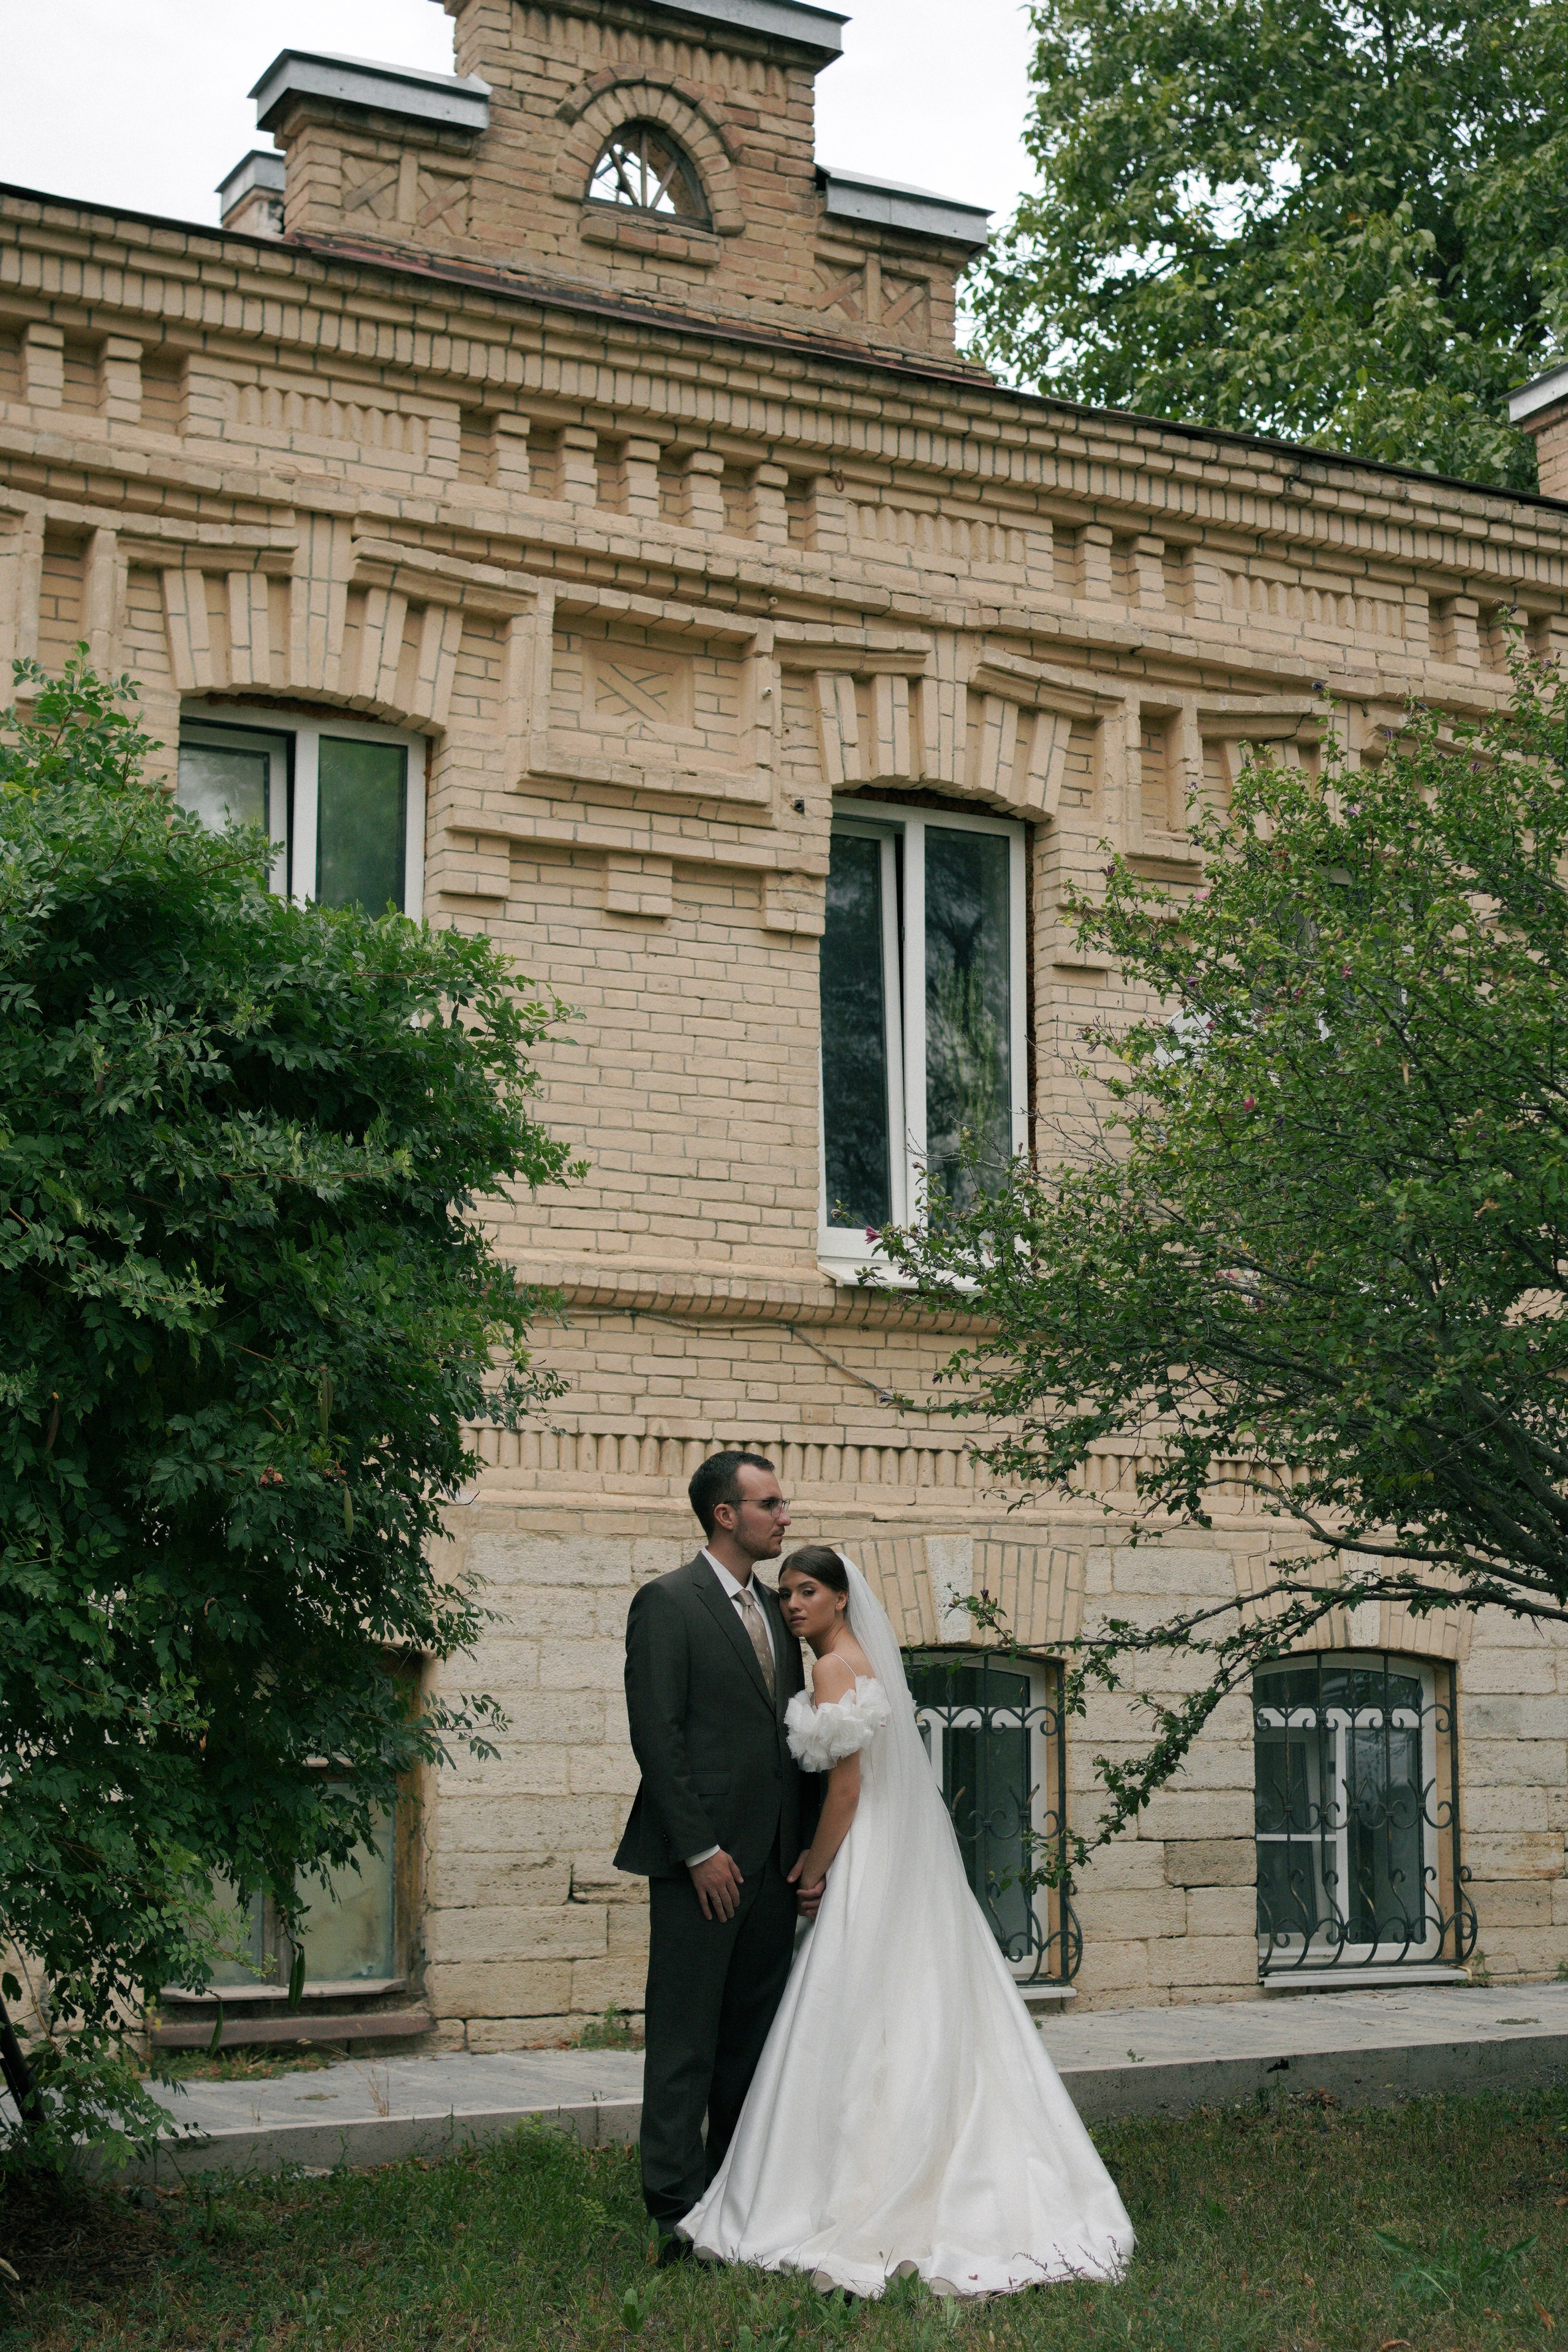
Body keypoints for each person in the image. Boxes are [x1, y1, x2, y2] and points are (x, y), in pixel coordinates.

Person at [679, 1545, 1135, 2298]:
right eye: (786, 1594)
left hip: (867, 1849)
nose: (793, 1606)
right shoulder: (858, 1658)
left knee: (858, 2002)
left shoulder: (831, 1667)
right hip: (906, 1853)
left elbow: (848, 1792)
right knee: (912, 1996)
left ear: (838, 1599)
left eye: (808, 1593)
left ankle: (850, 2186)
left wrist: (814, 1870)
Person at [614, 1451, 821, 2257]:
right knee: (685, 2038)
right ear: (725, 1514)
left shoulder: (780, 1609)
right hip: (702, 1864)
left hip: (771, 1862)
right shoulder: (667, 1603)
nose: (786, 1517)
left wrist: (803, 1854)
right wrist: (699, 1848)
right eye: (771, 1504)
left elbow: (793, 1740)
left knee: (751, 2040)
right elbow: (655, 1738)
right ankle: (675, 2210)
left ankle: (736, 2199)